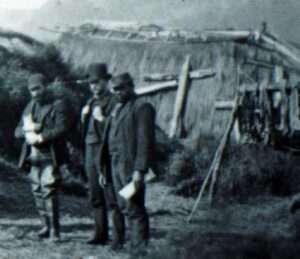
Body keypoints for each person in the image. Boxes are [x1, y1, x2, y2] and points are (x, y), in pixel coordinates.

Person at [99, 72, 156, 253]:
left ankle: (139, 248)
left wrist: (140, 170)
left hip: (129, 165)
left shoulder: (142, 107)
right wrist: (103, 168)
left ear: (131, 86)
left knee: (134, 207)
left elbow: (144, 141)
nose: (117, 92)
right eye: (114, 89)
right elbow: (108, 135)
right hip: (113, 163)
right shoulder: (116, 108)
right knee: (117, 204)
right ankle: (117, 243)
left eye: (121, 88)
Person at [15, 73, 71, 241]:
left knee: (48, 190)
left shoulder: (58, 105)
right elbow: (17, 131)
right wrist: (26, 130)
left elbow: (62, 128)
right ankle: (45, 226)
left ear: (45, 86)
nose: (35, 93)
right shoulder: (29, 106)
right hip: (32, 156)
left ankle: (55, 231)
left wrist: (41, 135)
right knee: (37, 191)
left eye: (37, 88)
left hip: (50, 155)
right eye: (31, 90)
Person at [81, 63, 116, 245]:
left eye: (97, 82)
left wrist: (102, 119)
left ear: (106, 81)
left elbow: (117, 130)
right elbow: (84, 131)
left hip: (106, 151)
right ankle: (100, 234)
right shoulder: (89, 102)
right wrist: (84, 117)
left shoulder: (114, 101)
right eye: (90, 83)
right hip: (90, 149)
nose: (93, 86)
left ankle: (118, 236)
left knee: (111, 194)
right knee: (95, 194)